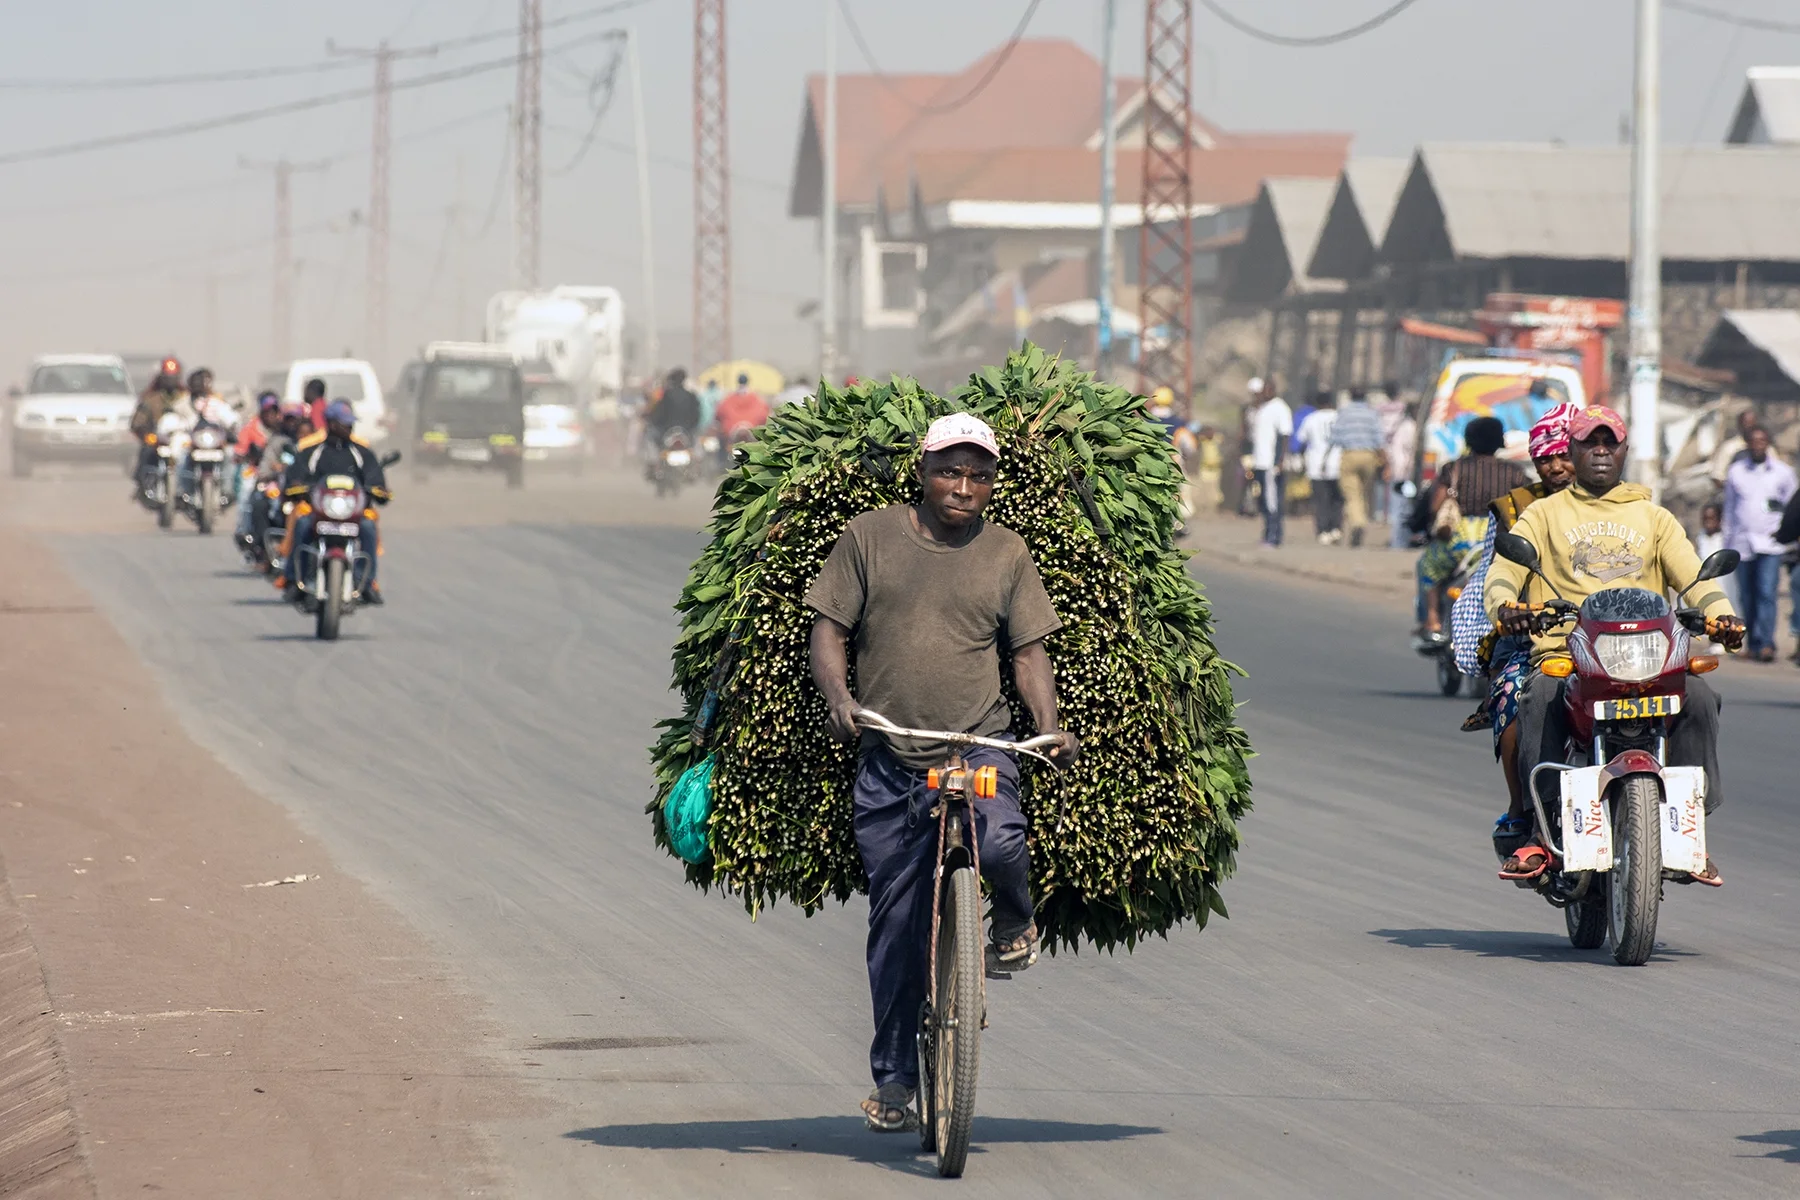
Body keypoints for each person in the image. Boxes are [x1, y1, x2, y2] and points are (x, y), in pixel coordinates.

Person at [804, 412, 1078, 1133]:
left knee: (999, 841)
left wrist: (1045, 725)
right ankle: (895, 1083)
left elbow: (1027, 653)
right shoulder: (869, 537)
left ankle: (1014, 922)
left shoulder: (1007, 553)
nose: (964, 487)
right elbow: (828, 630)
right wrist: (841, 700)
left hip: (977, 742)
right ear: (921, 473)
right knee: (895, 926)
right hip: (893, 754)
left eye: (979, 475)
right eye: (950, 472)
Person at [1485, 405, 1743, 884]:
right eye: (1589, 442)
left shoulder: (1654, 517)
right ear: (1574, 449)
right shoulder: (1544, 514)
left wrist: (1720, 614)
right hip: (1567, 654)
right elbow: (1504, 573)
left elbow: (1695, 578)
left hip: (1650, 655)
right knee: (1538, 698)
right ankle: (1538, 833)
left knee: (1701, 698)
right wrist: (1505, 607)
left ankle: (1688, 830)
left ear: (1624, 450)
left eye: (1610, 443)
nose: (1600, 451)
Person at [1447, 404, 1575, 856]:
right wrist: (1507, 612)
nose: (1558, 466)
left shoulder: (1630, 507)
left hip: (1609, 636)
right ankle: (1522, 808)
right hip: (1533, 634)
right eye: (1547, 457)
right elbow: (1491, 575)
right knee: (1513, 698)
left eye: (1565, 454)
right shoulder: (1517, 508)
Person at [1417, 417, 1525, 639]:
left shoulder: (1454, 468)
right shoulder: (1515, 473)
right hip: (1499, 539)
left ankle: (1432, 621)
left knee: (1428, 567)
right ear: (1498, 441)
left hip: (1459, 539)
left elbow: (1435, 505)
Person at [279, 400, 392, 605]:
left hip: (353, 514)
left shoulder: (362, 453)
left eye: (351, 424)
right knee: (302, 525)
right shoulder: (311, 452)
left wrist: (379, 490)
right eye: (345, 423)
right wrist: (296, 486)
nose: (350, 428)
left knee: (368, 528)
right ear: (331, 424)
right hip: (319, 512)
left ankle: (366, 583)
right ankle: (296, 580)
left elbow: (375, 479)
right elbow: (295, 478)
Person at [1720, 425, 1795, 662]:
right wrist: (1727, 541)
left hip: (1771, 544)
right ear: (1747, 444)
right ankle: (1752, 644)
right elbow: (1730, 509)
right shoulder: (1736, 472)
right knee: (1747, 596)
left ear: (1768, 443)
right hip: (1742, 544)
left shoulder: (1783, 473)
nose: (1758, 445)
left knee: (1766, 592)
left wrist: (1788, 534)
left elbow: (1793, 506)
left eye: (1762, 441)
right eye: (1754, 441)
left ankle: (1766, 644)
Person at [1332, 386, 1386, 547]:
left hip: (1349, 454)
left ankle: (1358, 523)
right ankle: (1361, 520)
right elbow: (1379, 438)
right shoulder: (1372, 413)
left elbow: (1335, 437)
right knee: (1363, 492)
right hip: (1369, 456)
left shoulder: (1344, 413)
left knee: (1352, 493)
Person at [1247, 377, 1293, 547]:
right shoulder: (1262, 409)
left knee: (1272, 501)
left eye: (1266, 390)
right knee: (1264, 501)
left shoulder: (1280, 408)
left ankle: (1274, 536)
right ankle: (1267, 532)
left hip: (1270, 464)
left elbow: (1284, 435)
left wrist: (1279, 461)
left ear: (1272, 390)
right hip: (1260, 462)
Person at [1296, 391, 1341, 544]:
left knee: (1321, 500)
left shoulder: (1311, 419)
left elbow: (1301, 441)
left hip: (1316, 465)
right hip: (1337, 463)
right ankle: (1336, 528)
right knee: (1336, 499)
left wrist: (1302, 458)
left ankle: (1323, 531)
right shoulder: (1339, 417)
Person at [645, 368, 700, 446]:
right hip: (686, 431)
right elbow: (696, 415)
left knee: (650, 437)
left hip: (668, 430)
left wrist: (653, 420)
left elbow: (659, 413)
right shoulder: (691, 396)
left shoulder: (667, 395)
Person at [713, 373, 771, 442]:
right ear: (747, 382)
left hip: (730, 435)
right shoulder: (756, 399)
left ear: (738, 382)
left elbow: (719, 413)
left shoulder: (728, 399)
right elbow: (764, 415)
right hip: (752, 435)